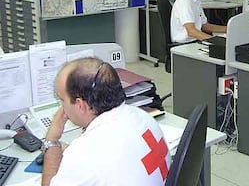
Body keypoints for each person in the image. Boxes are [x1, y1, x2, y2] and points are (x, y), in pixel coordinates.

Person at [42, 58, 171, 186]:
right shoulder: (143, 116)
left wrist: (52, 139)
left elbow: (93, 157)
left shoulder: (83, 154)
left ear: (80, 105)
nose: (61, 107)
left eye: (62, 99)